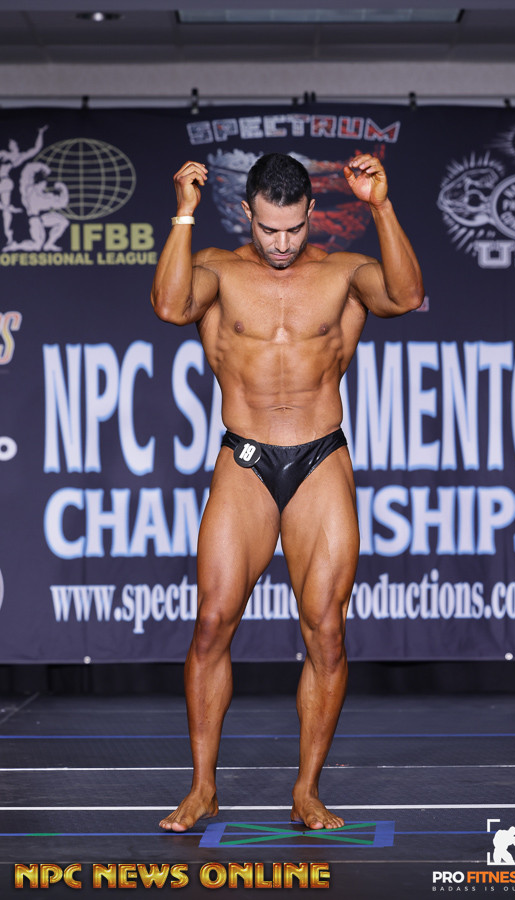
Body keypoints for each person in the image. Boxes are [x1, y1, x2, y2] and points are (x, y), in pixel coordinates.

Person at [151, 151, 424, 832]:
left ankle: (307, 791)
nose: (281, 242)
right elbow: (169, 306)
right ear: (248, 213)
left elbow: (405, 296)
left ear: (311, 214)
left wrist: (382, 206)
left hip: (319, 457)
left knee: (326, 631)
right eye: (270, 229)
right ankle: (203, 787)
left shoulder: (342, 272)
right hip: (244, 459)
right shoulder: (217, 268)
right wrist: (183, 213)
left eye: (294, 228)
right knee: (212, 623)